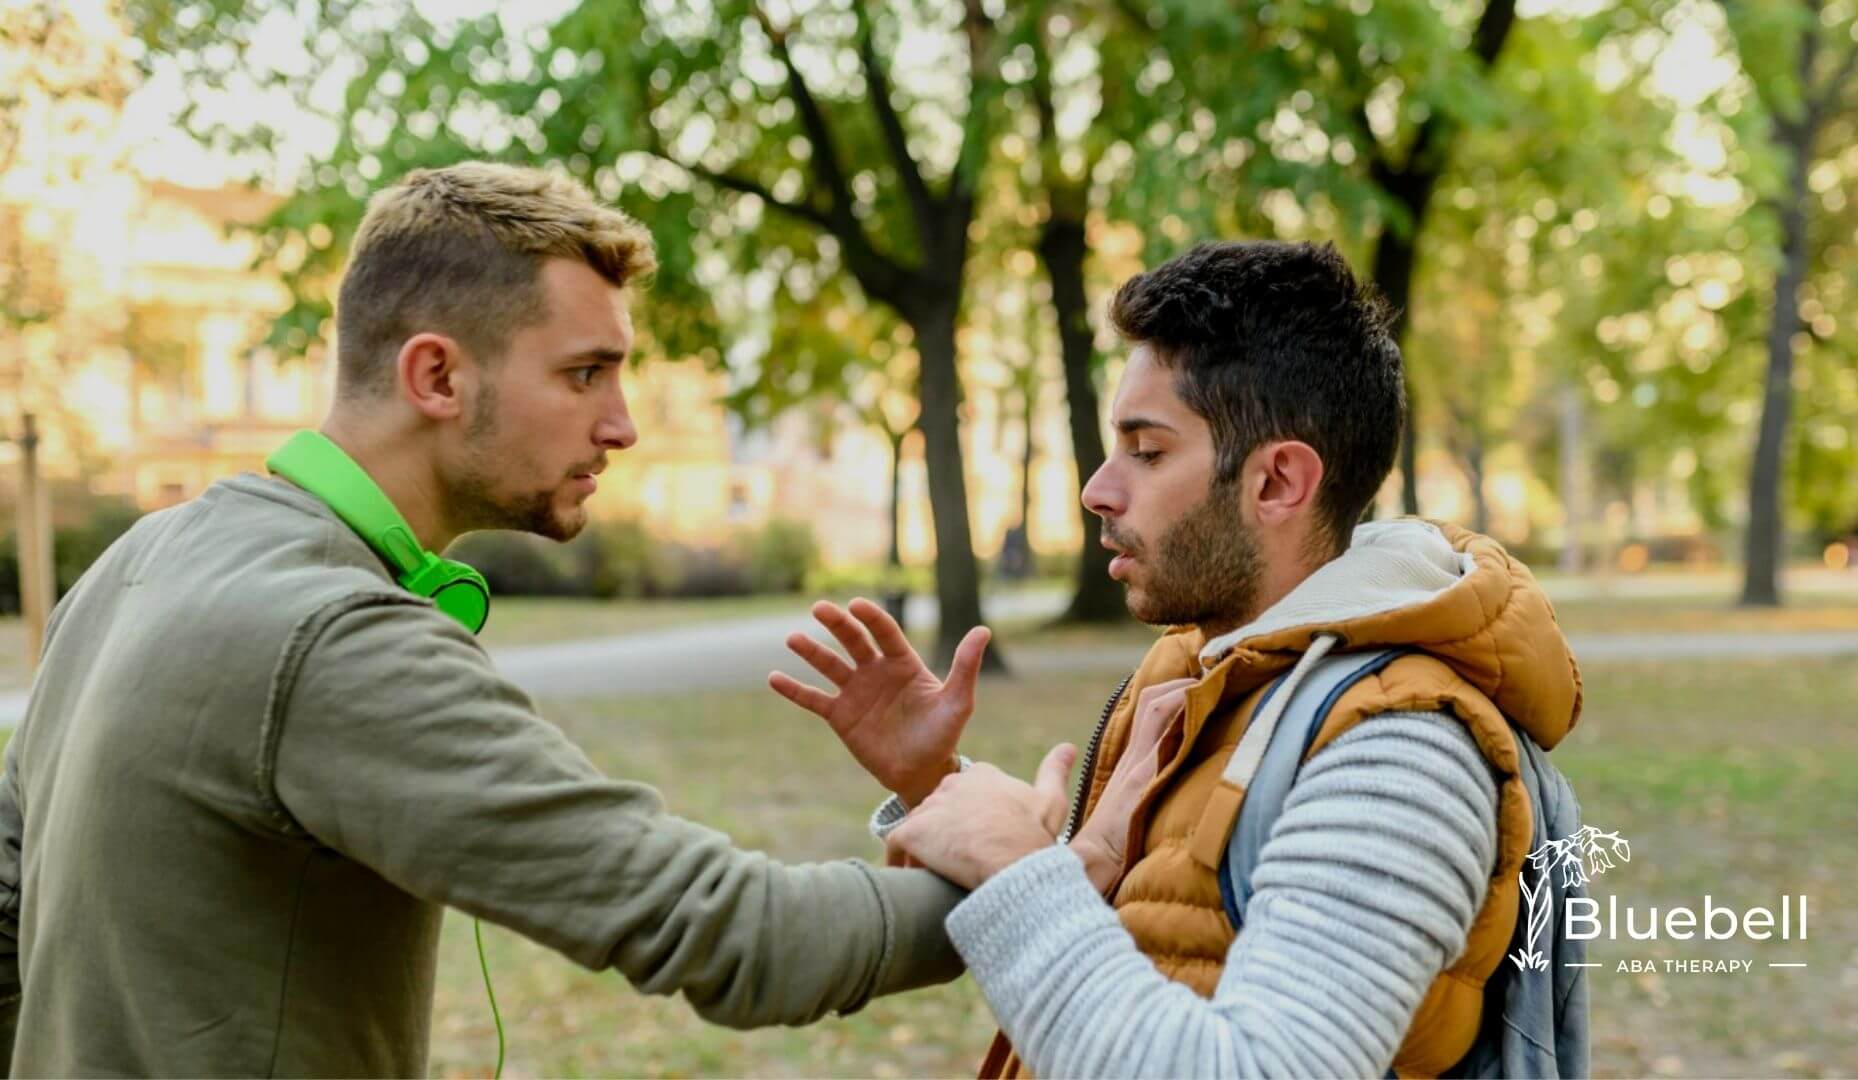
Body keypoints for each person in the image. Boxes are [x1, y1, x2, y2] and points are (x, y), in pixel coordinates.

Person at [0, 161, 979, 1076]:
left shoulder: (143, 555)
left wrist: (938, 805)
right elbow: (730, 933)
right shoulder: (334, 638)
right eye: (585, 373)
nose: (625, 425)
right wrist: (1036, 887)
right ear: (436, 378)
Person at [776, 241, 1585, 1078]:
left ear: (1277, 483)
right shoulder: (1196, 672)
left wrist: (1016, 864)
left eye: (1147, 451)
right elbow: (1140, 947)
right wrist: (936, 783)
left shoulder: (1399, 751)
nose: (1097, 489)